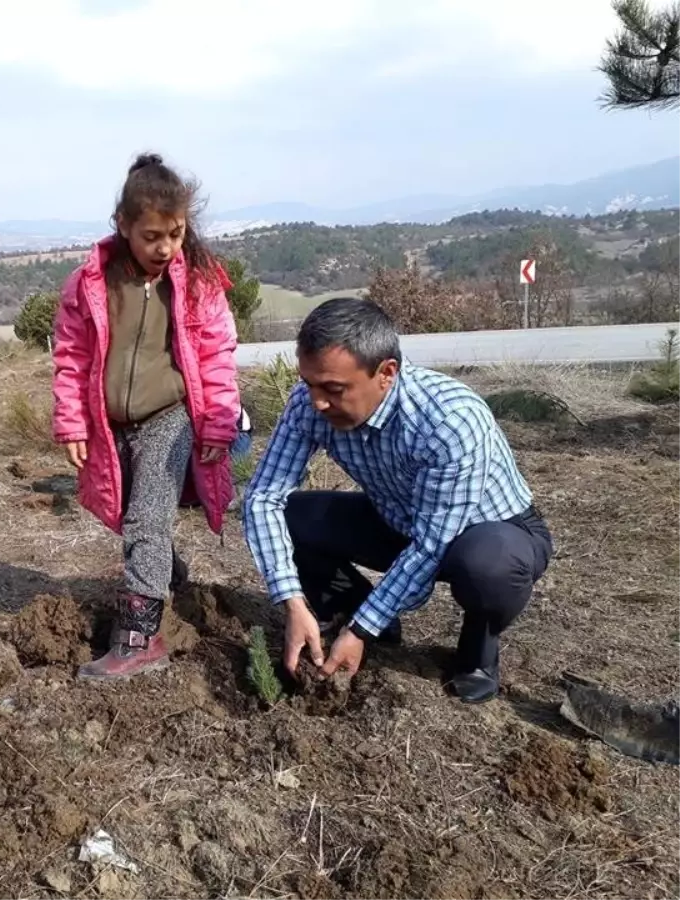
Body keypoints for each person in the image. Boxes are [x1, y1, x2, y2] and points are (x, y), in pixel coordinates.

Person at [242, 297, 553, 704]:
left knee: (487, 569)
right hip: (397, 517)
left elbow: (432, 545)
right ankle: (354, 607)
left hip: (488, 531)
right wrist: (291, 599)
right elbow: (263, 498)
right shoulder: (310, 405)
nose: (317, 402)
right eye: (309, 384)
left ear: (386, 373)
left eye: (334, 389)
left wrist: (359, 632)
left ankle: (478, 647)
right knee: (294, 515)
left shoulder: (448, 420)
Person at [52, 152, 240, 681]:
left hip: (171, 415)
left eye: (176, 234)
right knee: (134, 516)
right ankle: (169, 576)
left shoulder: (197, 281)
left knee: (145, 518)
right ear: (123, 225)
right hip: (112, 426)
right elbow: (71, 355)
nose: (165, 247)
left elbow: (217, 354)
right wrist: (72, 421)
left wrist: (218, 424)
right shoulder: (91, 283)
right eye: (152, 235)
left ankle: (140, 637)